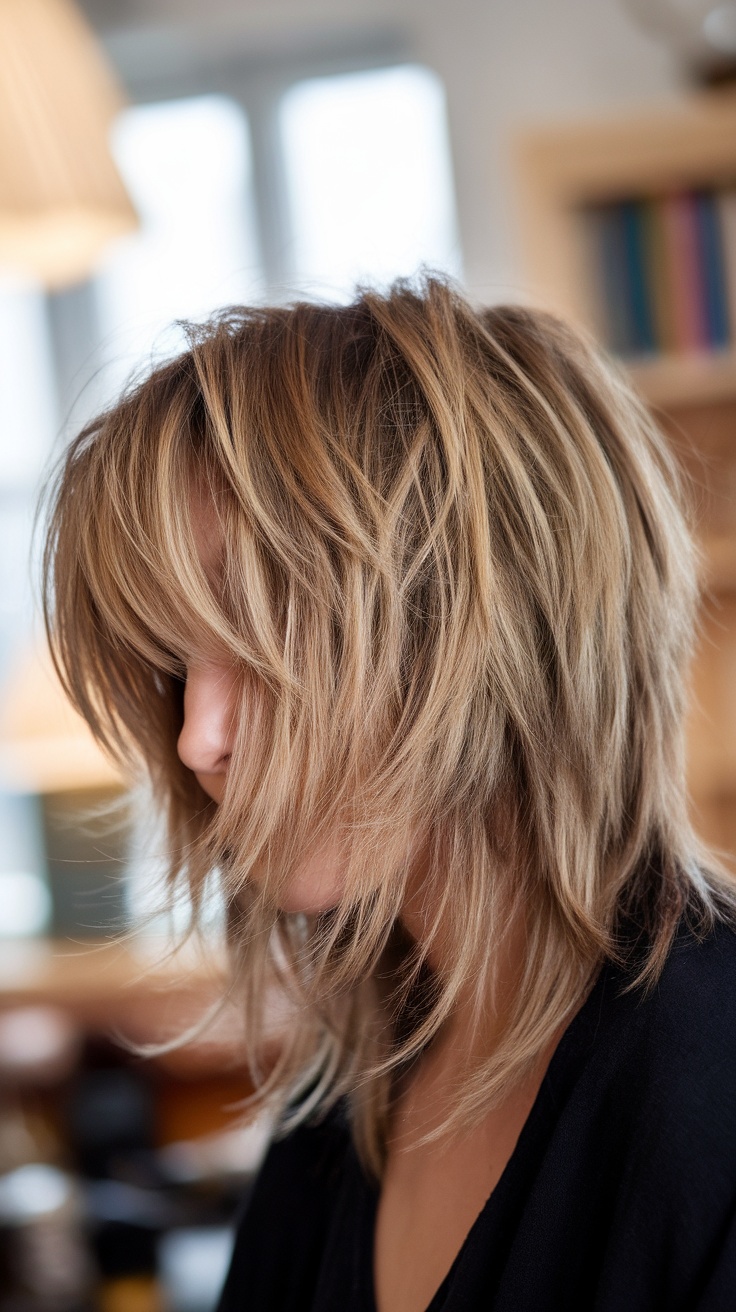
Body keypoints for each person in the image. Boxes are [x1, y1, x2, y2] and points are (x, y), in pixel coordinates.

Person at [43, 277, 736, 1311]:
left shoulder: (708, 1094)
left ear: (477, 613)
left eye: (259, 631)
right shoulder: (338, 1120)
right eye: (179, 665)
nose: (197, 736)